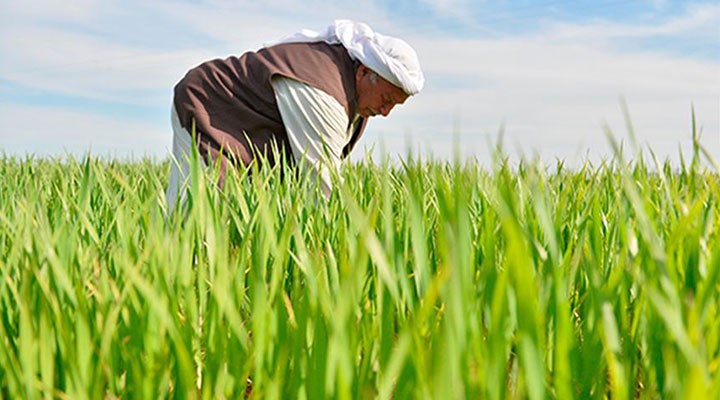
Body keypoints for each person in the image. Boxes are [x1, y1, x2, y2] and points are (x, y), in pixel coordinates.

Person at [165, 20, 424, 213]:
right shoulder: (322, 91)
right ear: (364, 73)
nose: (386, 112)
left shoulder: (354, 95)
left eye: (394, 106)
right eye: (386, 100)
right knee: (200, 216)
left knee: (250, 214)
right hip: (209, 108)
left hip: (251, 136)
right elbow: (320, 184)